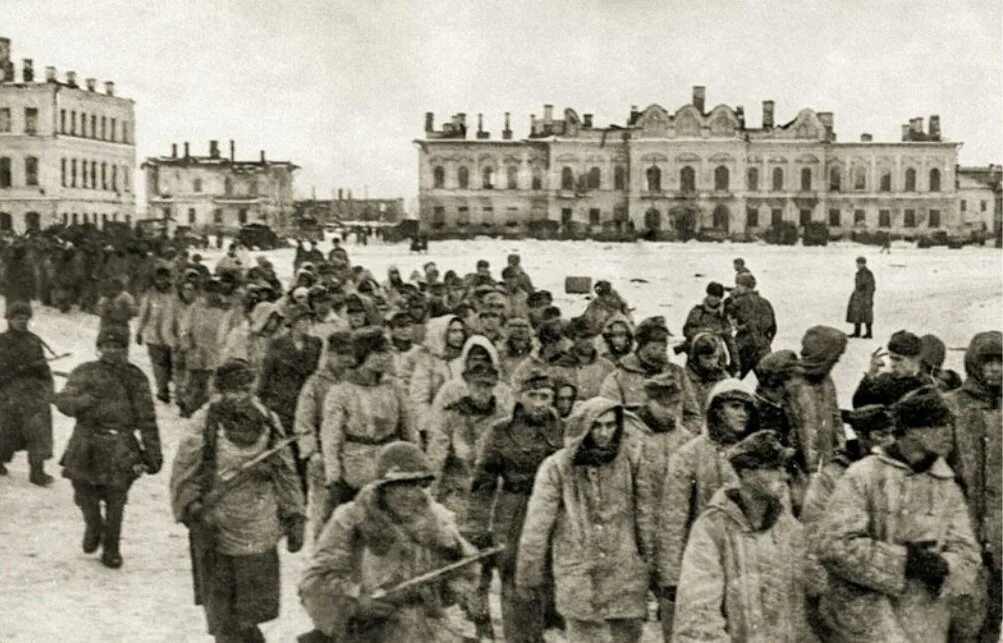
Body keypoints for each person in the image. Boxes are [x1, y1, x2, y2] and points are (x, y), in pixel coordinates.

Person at [815, 387, 981, 642]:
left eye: (950, 424)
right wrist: (904, 562)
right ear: (912, 430)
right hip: (866, 623)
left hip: (926, 623)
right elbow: (833, 545)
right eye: (938, 425)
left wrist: (944, 565)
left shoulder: (946, 484)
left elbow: (968, 554)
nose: (949, 433)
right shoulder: (864, 475)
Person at [170, 359, 305, 643]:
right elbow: (183, 474)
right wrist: (192, 508)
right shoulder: (204, 423)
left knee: (251, 612)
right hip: (216, 526)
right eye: (233, 390)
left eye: (246, 389)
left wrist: (295, 516)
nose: (240, 396)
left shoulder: (268, 419)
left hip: (258, 529)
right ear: (218, 391)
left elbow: (286, 471)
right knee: (223, 615)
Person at [299, 441, 480, 643]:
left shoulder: (435, 519)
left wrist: (437, 593)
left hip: (422, 625)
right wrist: (357, 602)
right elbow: (313, 581)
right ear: (382, 488)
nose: (406, 495)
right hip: (364, 628)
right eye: (397, 485)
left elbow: (466, 568)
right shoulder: (351, 519)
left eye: (413, 485)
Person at [517, 397, 655, 643]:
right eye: (597, 425)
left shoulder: (630, 462)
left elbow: (645, 515)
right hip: (579, 573)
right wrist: (529, 575)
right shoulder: (556, 468)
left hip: (624, 573)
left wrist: (650, 563)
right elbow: (537, 527)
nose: (604, 433)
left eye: (611, 425)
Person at [673, 430, 812, 643]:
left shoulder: (788, 528)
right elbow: (697, 616)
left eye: (782, 468)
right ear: (746, 474)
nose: (783, 476)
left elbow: (805, 602)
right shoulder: (712, 528)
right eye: (772, 468)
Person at [466, 368, 564, 643]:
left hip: (555, 510)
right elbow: (482, 482)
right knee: (514, 576)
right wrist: (477, 525)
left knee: (552, 575)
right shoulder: (500, 432)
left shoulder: (564, 430)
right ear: (519, 397)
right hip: (514, 510)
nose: (539, 402)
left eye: (545, 396)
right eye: (532, 395)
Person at [53, 326, 162, 568]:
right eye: (106, 346)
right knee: (83, 491)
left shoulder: (135, 377)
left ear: (125, 349)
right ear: (99, 348)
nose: (111, 351)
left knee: (116, 498)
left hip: (120, 445)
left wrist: (153, 452)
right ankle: (93, 525)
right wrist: (80, 402)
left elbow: (147, 417)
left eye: (117, 347)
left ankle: (112, 548)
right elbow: (62, 400)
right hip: (86, 441)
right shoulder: (85, 372)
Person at [656, 378, 757, 635]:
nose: (742, 414)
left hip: (746, 566)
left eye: (747, 409)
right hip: (702, 564)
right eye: (735, 406)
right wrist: (671, 578)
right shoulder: (688, 456)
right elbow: (673, 519)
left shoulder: (755, 457)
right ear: (717, 409)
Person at [945, 330, 1002, 642]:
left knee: (993, 618)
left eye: (1001, 362)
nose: (995, 369)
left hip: (1001, 534)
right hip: (963, 530)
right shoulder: (952, 406)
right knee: (963, 620)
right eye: (988, 361)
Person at [321, 326, 417, 513]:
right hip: (356, 472)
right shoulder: (341, 392)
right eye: (378, 352)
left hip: (392, 471)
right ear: (363, 354)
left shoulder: (394, 387)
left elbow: (408, 429)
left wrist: (413, 463)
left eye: (386, 352)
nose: (384, 357)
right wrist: (333, 477)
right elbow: (331, 439)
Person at [293, 332, 355, 539]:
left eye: (349, 354)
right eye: (340, 354)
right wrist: (312, 453)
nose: (346, 360)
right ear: (329, 354)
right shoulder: (315, 383)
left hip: (352, 455)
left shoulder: (355, 380)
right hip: (324, 458)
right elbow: (304, 422)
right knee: (323, 514)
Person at [599, 316, 702, 434]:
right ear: (642, 344)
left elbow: (693, 417)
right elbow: (610, 420)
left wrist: (679, 438)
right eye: (657, 341)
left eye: (664, 340)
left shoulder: (678, 373)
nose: (664, 345)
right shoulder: (617, 378)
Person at [0, 301, 55, 484]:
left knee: (38, 430)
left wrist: (47, 388)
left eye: (25, 318)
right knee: (5, 430)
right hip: (8, 392)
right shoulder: (2, 341)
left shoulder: (34, 341)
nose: (22, 322)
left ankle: (37, 471)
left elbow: (44, 369)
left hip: (32, 392)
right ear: (9, 320)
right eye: (17, 318)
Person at [409, 315, 467, 440]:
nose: (459, 335)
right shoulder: (427, 362)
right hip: (437, 421)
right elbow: (419, 397)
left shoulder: (464, 359)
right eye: (454, 331)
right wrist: (427, 426)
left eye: (461, 331)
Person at [852, 330, 932, 407]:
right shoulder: (885, 380)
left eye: (898, 359)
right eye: (891, 358)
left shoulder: (926, 387)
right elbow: (859, 405)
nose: (893, 364)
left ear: (915, 359)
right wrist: (872, 372)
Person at [136, 265, 177, 403]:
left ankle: (170, 385)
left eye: (164, 278)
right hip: (153, 335)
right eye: (159, 279)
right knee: (158, 364)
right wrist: (139, 331)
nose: (162, 281)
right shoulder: (150, 294)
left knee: (170, 363)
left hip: (171, 335)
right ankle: (162, 390)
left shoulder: (175, 293)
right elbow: (143, 313)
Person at [724, 272, 777, 378]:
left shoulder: (737, 302)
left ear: (742, 287)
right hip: (763, 348)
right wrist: (765, 341)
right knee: (768, 382)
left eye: (738, 285)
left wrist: (730, 298)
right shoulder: (766, 302)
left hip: (744, 348)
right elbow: (774, 328)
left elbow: (725, 317)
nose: (736, 288)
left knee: (732, 380)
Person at [681, 281, 737, 374]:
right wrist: (705, 332)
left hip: (717, 357)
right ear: (707, 295)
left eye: (718, 297)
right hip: (697, 355)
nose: (714, 299)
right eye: (712, 295)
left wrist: (736, 365)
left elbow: (730, 341)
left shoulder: (723, 315)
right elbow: (687, 331)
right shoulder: (698, 311)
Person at [682, 332, 730, 409]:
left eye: (715, 357)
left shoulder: (724, 378)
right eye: (707, 358)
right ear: (696, 357)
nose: (712, 362)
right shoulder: (684, 378)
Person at [846, 256, 876, 339]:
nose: (858, 265)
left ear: (864, 264)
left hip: (865, 296)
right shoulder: (859, 273)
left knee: (867, 314)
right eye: (858, 263)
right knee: (856, 314)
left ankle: (869, 333)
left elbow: (870, 286)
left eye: (860, 263)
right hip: (858, 296)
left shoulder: (867, 273)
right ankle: (857, 332)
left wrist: (868, 297)